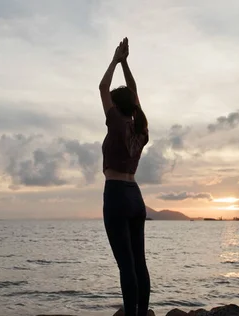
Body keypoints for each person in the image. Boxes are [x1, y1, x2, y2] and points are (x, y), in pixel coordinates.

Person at [99, 37, 153, 316]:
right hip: (135, 197)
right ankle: (141, 313)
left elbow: (102, 87)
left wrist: (116, 60)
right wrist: (126, 63)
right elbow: (133, 90)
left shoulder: (117, 121)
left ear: (117, 107)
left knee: (126, 265)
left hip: (117, 195)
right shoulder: (141, 127)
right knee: (139, 263)